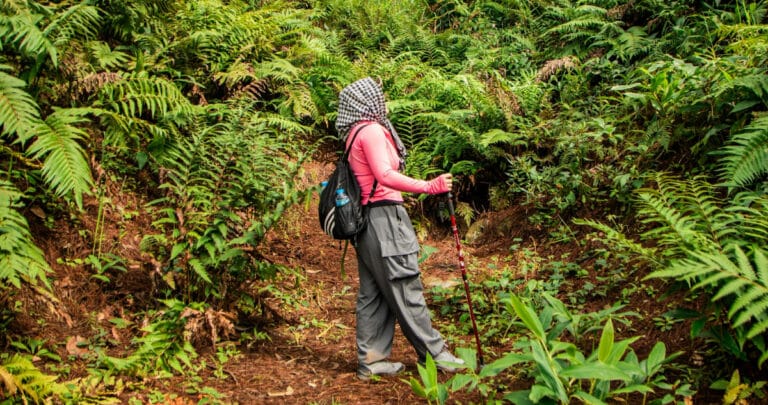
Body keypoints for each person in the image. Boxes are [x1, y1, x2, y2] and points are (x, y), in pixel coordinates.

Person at [335, 77, 464, 380]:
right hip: (385, 219)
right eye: (380, 95)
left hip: (366, 224)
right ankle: (436, 355)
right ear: (368, 101)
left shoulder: (353, 134)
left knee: (374, 293)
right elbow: (385, 174)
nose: (384, 99)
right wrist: (429, 187)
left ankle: (373, 361)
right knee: (406, 287)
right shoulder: (372, 131)